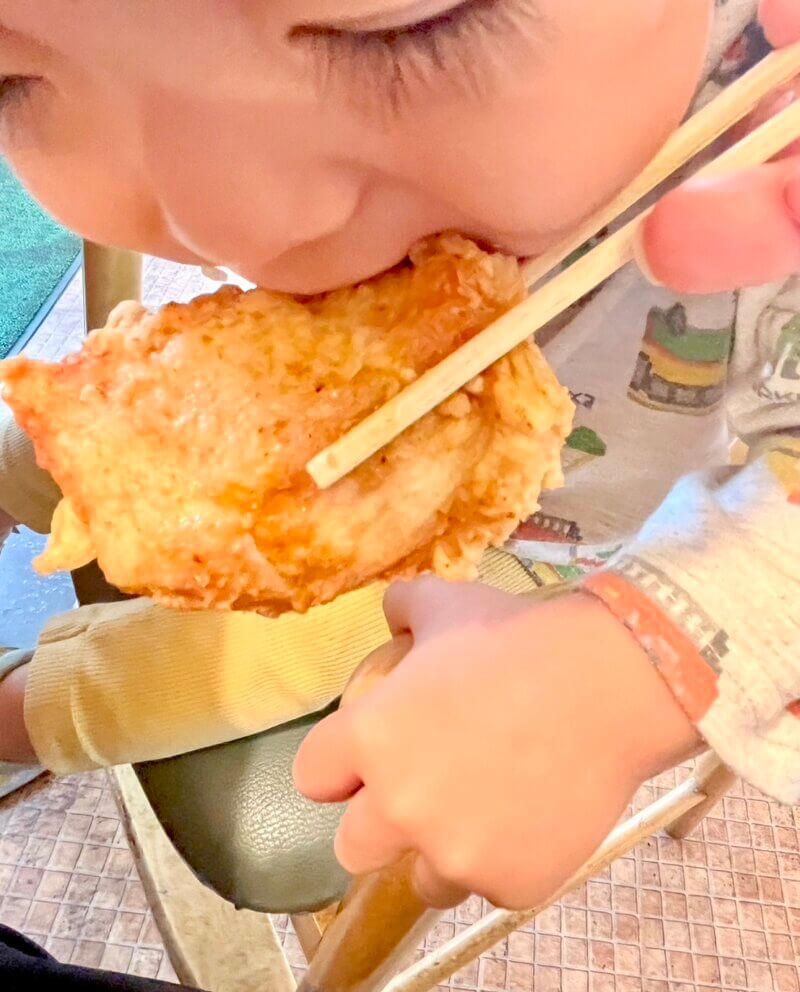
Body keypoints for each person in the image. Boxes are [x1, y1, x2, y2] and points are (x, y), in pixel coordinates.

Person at [0, 0, 797, 921]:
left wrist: (627, 676)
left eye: (400, 30)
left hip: (548, 541)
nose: (230, 228)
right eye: (12, 81)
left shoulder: (767, 134)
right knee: (83, 436)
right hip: (301, 401)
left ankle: (18, 719)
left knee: (234, 665)